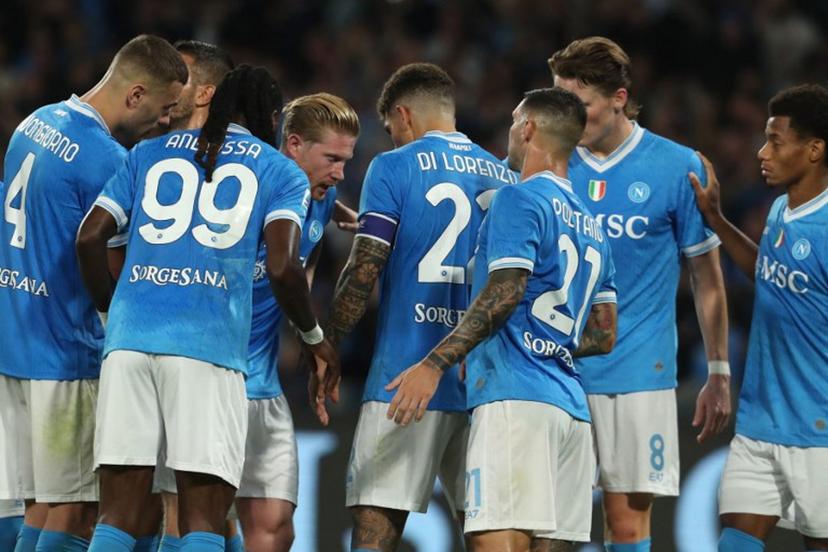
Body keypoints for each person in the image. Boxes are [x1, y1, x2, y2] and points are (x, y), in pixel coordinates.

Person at [75, 64, 339, 552]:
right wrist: (314, 338)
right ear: (273, 116)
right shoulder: (277, 169)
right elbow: (283, 268)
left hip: (129, 345)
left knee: (119, 516)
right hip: (207, 348)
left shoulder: (147, 153)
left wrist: (112, 317)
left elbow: (90, 236)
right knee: (203, 519)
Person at [388, 87, 618, 552]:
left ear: (529, 128)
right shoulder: (592, 224)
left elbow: (505, 291)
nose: (510, 133)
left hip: (517, 403)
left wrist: (434, 364)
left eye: (515, 123)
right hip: (572, 412)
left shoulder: (520, 200)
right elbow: (604, 332)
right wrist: (548, 342)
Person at [0, 34, 187, 552]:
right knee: (78, 511)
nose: (167, 120)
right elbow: (109, 259)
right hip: (64, 351)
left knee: (37, 502)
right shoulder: (106, 158)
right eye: (164, 107)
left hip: (14, 339)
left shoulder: (33, 123)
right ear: (135, 95)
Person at [155, 89, 361, 552]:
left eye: (346, 160)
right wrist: (314, 340)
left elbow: (298, 274)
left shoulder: (321, 198)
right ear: (292, 144)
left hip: (262, 387)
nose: (340, 171)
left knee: (275, 528)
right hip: (204, 379)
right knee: (188, 524)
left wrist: (352, 215)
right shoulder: (238, 192)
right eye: (331, 157)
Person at [321, 62, 514, 551]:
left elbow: (364, 271)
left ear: (403, 116)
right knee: (493, 534)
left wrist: (327, 343)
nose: (392, 140)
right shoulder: (506, 178)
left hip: (403, 379)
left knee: (374, 532)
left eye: (390, 130)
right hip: (480, 383)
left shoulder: (393, 166)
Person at [548, 36, 732, 550]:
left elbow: (708, 278)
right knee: (554, 525)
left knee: (627, 524)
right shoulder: (547, 162)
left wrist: (718, 370)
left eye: (580, 105)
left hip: (638, 372)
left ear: (619, 98)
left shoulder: (678, 167)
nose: (568, 117)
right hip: (556, 369)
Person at [689, 84, 828, 552]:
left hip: (819, 430)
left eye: (776, 141)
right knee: (734, 544)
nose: (762, 152)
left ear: (814, 150)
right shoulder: (778, 210)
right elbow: (768, 272)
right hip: (760, 424)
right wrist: (715, 218)